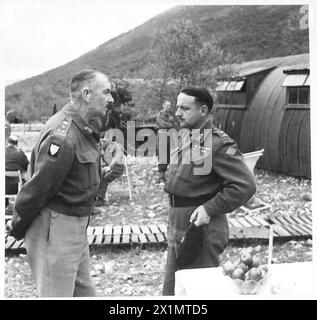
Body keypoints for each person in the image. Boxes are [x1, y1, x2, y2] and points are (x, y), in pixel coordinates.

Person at [9, 69, 114, 297]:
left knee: (84, 294)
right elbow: (37, 189)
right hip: (55, 230)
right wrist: (17, 225)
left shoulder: (83, 128)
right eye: (106, 92)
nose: (111, 99)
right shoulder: (63, 136)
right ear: (86, 94)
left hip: (75, 227)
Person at [162, 87, 257, 295]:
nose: (178, 113)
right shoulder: (186, 136)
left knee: (199, 292)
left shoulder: (219, 144)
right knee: (173, 290)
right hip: (178, 223)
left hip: (202, 228)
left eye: (184, 108)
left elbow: (246, 185)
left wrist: (209, 208)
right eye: (177, 107)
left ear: (203, 110)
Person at [94, 138, 125, 207]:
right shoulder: (101, 147)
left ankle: (100, 199)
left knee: (105, 176)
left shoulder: (114, 146)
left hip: (118, 167)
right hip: (110, 166)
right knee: (96, 175)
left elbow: (117, 157)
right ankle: (93, 198)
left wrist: (110, 166)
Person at [155, 100, 179, 183]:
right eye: (167, 105)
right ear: (163, 105)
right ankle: (160, 176)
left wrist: (172, 124)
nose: (168, 107)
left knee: (171, 155)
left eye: (169, 106)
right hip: (162, 136)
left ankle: (167, 175)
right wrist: (171, 124)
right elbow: (162, 124)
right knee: (162, 156)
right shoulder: (159, 115)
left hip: (171, 137)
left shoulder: (172, 115)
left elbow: (177, 124)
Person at [5, 135, 29, 207]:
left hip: (3, 187)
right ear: (16, 145)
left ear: (8, 143)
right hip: (17, 188)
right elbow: (28, 166)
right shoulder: (20, 154)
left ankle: (5, 205)